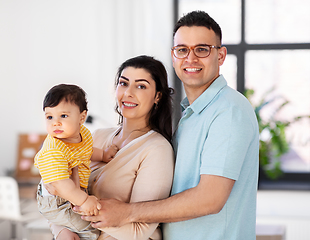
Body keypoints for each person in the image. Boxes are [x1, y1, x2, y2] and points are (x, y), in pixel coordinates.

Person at [80, 11, 259, 240]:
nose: (190, 59)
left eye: (202, 49)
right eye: (182, 50)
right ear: (173, 56)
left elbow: (210, 198)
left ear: (221, 55)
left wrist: (127, 213)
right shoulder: (190, 115)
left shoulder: (229, 110)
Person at [47, 55, 175, 240]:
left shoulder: (157, 150)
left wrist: (83, 208)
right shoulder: (95, 137)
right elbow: (54, 195)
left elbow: (140, 231)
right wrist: (61, 230)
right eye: (123, 83)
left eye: (141, 86)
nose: (128, 93)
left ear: (157, 96)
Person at [34, 84, 118, 239]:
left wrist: (104, 155)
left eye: (63, 116)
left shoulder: (83, 134)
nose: (55, 123)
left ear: (82, 117)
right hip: (56, 200)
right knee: (90, 229)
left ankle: (65, 230)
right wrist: (84, 200)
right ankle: (64, 231)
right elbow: (60, 186)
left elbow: (87, 150)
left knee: (82, 221)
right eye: (49, 117)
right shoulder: (53, 150)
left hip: (72, 190)